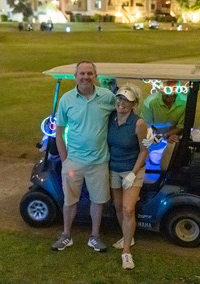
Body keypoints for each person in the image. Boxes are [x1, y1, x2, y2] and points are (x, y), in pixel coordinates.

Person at [51, 61, 116, 252]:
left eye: (89, 73)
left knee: (98, 200)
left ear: (95, 76)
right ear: (75, 76)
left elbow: (124, 112)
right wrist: (65, 161)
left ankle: (94, 237)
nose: (86, 77)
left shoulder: (107, 97)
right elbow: (59, 132)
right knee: (70, 200)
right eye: (82, 73)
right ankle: (66, 235)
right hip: (74, 161)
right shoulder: (66, 99)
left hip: (99, 161)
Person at [108, 83, 148, 269]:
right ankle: (128, 238)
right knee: (117, 206)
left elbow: (143, 151)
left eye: (127, 101)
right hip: (113, 168)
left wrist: (132, 173)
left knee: (128, 209)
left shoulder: (138, 123)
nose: (122, 103)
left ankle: (126, 251)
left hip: (133, 169)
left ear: (134, 105)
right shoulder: (110, 119)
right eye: (120, 99)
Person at [141, 80, 187, 167]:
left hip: (172, 136)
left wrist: (169, 135)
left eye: (174, 90)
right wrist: (158, 136)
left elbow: (181, 126)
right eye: (167, 90)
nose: (170, 94)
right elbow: (146, 125)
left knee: (171, 164)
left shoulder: (185, 102)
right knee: (154, 161)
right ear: (160, 90)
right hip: (154, 136)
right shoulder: (150, 102)